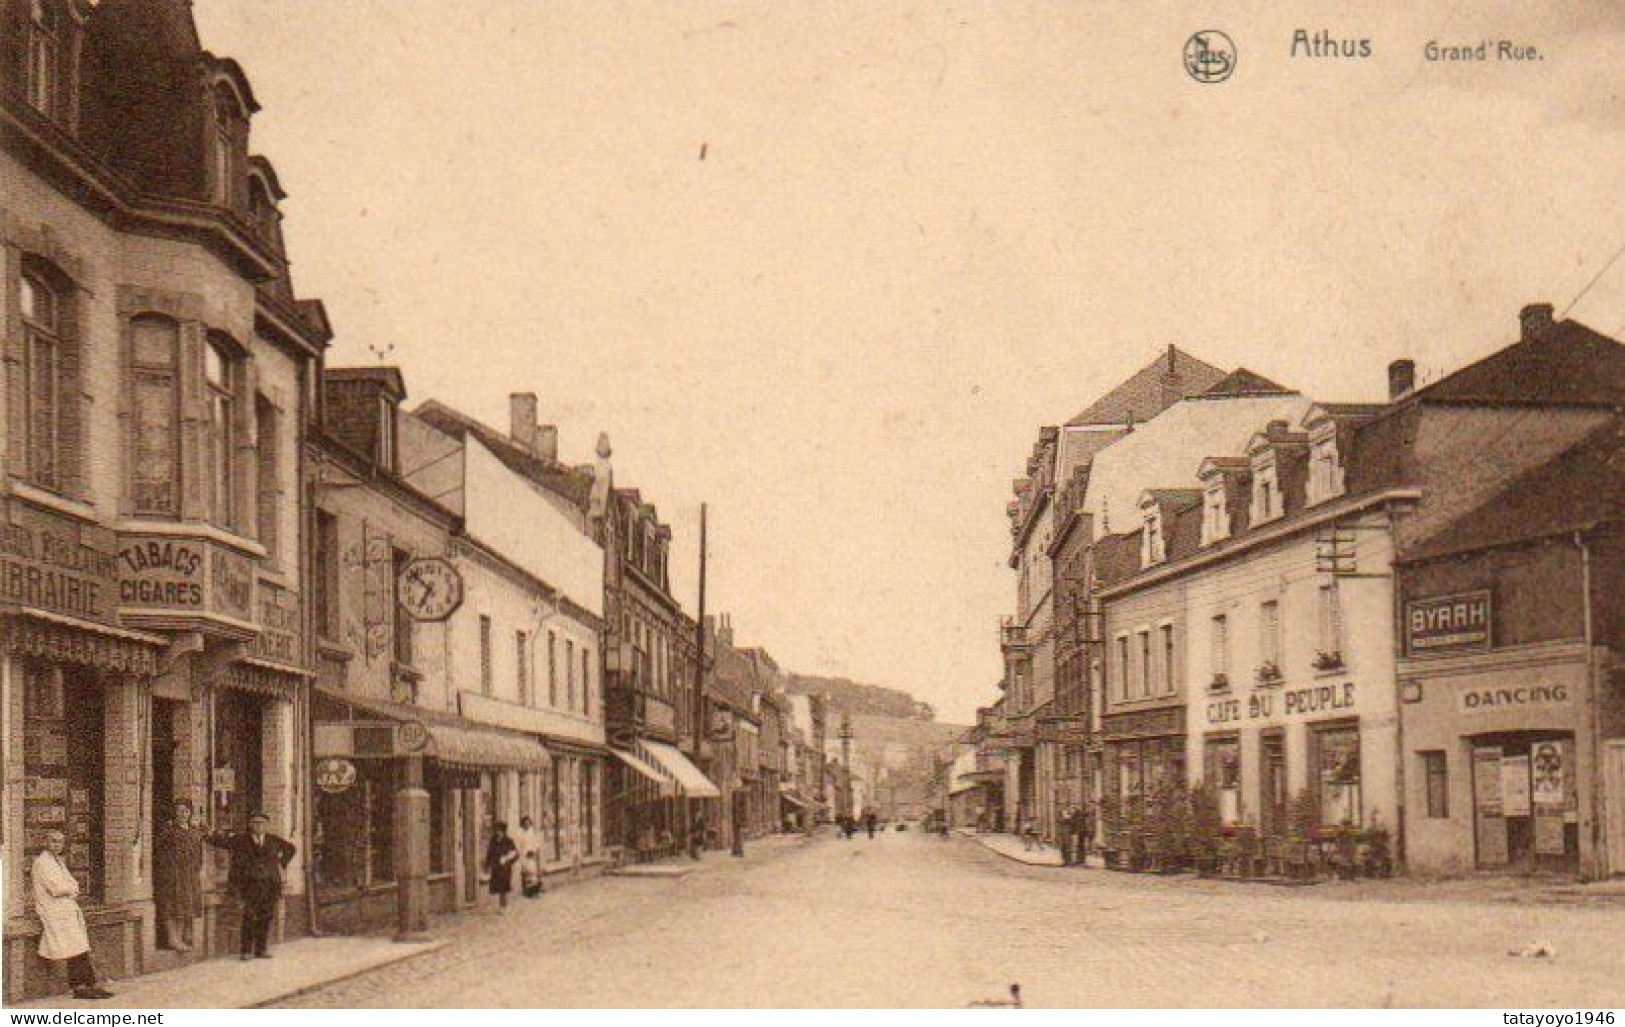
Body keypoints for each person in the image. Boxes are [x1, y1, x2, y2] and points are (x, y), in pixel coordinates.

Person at [31, 829, 113, 1000]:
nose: (57, 845)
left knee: (80, 946)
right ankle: (78, 986)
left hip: (66, 908)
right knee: (74, 946)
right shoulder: (42, 863)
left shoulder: (58, 862)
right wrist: (69, 889)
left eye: (60, 842)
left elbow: (73, 884)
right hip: (53, 910)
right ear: (46, 842)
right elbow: (56, 889)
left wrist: (69, 889)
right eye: (53, 841)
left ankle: (90, 984)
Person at [207, 811, 296, 960]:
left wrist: (281, 864)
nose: (258, 826)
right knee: (249, 916)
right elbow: (220, 842)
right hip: (248, 885)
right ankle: (246, 951)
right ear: (250, 825)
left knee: (266, 917)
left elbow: (291, 848)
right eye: (255, 822)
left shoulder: (273, 840)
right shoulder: (240, 840)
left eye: (261, 823)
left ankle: (261, 950)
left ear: (266, 825)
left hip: (270, 884)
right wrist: (206, 833)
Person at [154, 798, 205, 951]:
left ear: (190, 813)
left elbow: (199, 854)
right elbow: (158, 851)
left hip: (189, 875)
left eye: (186, 811)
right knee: (171, 905)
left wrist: (196, 870)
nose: (183, 814)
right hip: (172, 875)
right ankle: (172, 938)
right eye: (179, 811)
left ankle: (180, 937)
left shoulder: (194, 832)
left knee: (184, 906)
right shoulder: (168, 831)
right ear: (174, 813)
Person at [484, 821, 519, 909]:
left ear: (503, 831)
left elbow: (516, 854)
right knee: (496, 886)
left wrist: (508, 861)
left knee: (504, 886)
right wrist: (487, 865)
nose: (497, 832)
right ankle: (499, 905)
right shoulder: (493, 841)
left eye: (499, 830)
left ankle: (504, 905)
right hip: (495, 867)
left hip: (505, 867)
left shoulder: (508, 841)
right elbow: (489, 854)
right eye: (496, 830)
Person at [516, 815, 544, 897]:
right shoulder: (519, 833)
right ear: (522, 824)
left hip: (532, 854)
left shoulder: (531, 832)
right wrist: (523, 853)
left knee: (532, 873)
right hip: (523, 855)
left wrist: (535, 851)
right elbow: (518, 845)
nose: (527, 825)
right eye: (525, 823)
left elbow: (535, 843)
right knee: (524, 872)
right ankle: (525, 890)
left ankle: (533, 891)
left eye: (528, 823)